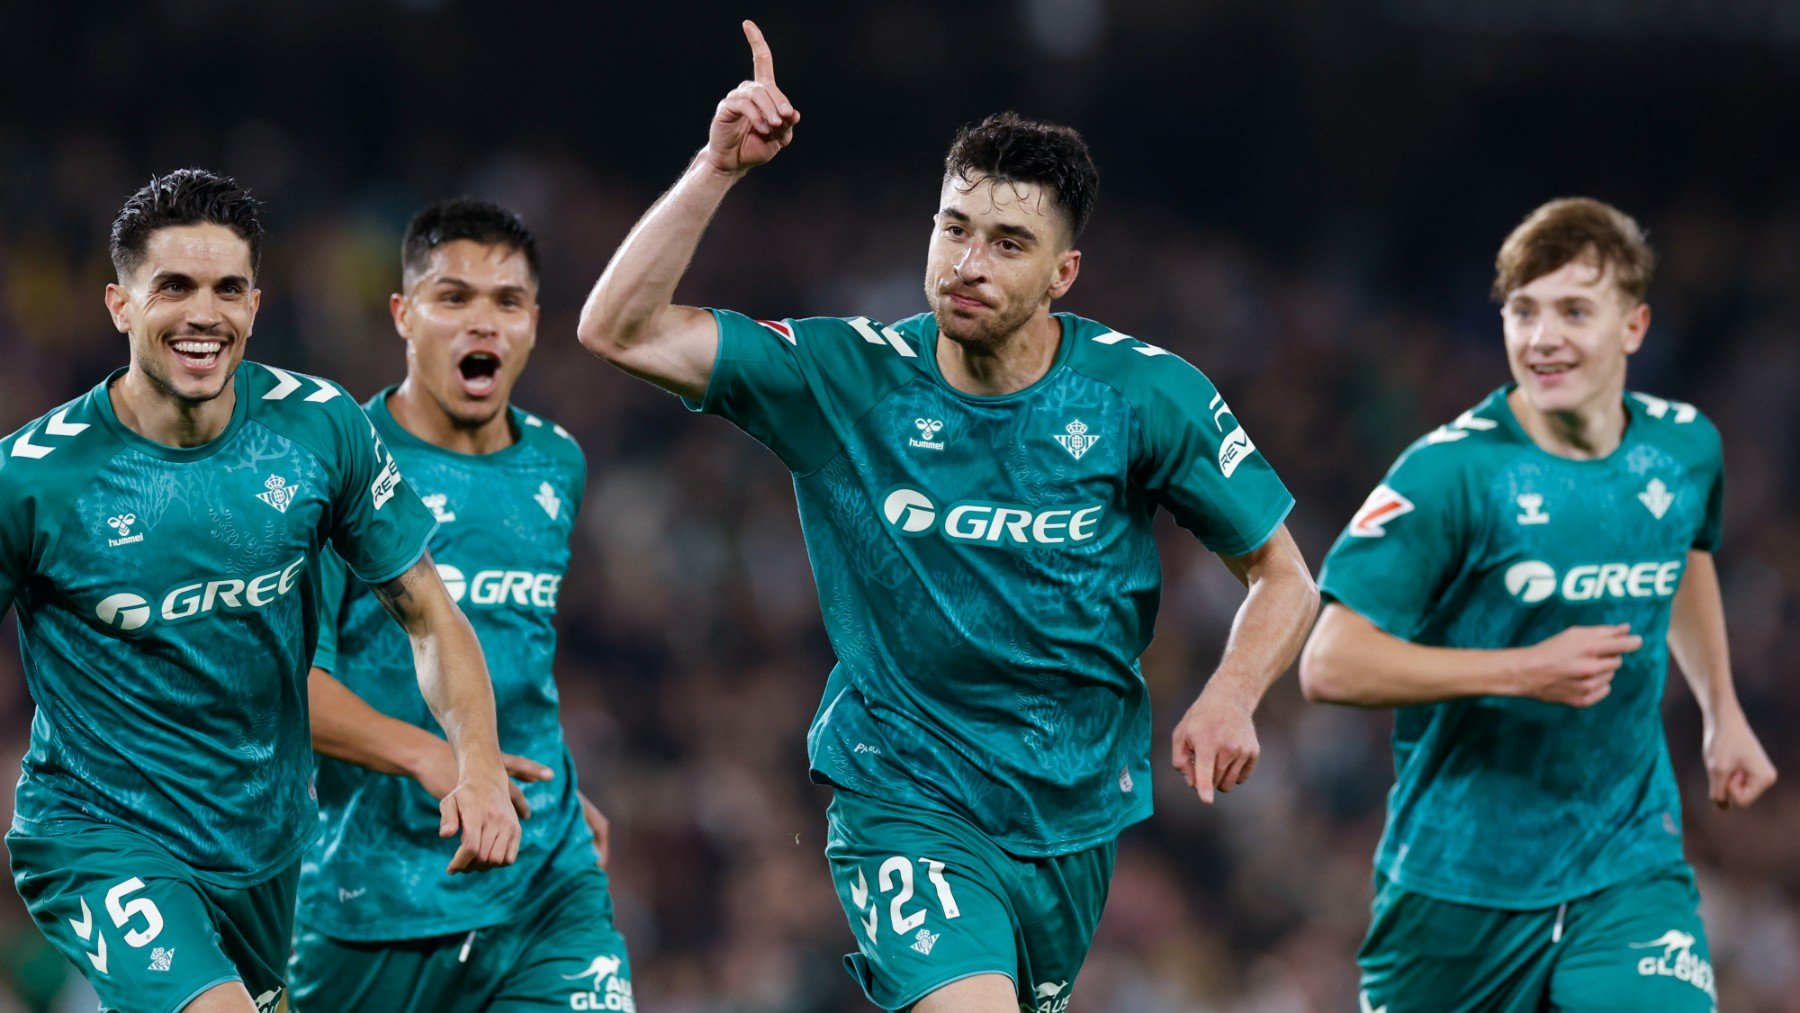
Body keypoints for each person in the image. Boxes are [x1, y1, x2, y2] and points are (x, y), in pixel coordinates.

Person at [576, 22, 1318, 1012]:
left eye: (1007, 243)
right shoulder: (849, 375)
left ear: (1063, 275)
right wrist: (716, 169)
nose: (968, 261)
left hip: (1071, 819)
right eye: (953, 227)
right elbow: (614, 327)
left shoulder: (1145, 397)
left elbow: (1285, 575)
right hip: (905, 797)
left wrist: (1231, 690)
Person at [0, 169, 521, 1013]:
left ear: (254, 304)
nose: (204, 313)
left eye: (227, 288)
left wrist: (480, 763)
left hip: (266, 844)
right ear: (119, 304)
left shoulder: (318, 429)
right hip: (101, 835)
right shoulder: (32, 479)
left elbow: (429, 614)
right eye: (174, 286)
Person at [1300, 197, 1778, 1012]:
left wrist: (1721, 711)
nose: (1542, 336)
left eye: (1573, 311)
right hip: (1459, 882)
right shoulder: (1449, 474)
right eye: (1523, 311)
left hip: (1626, 861)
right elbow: (1330, 662)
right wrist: (1523, 668)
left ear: (1635, 325)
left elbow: (1684, 554)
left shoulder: (1684, 445)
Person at [288, 199, 633, 1012]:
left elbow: (518, 649)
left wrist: (549, 784)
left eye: (506, 302)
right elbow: (288, 686)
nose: (483, 323)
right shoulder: (336, 468)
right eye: (454, 298)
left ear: (534, 323)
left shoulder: (558, 463)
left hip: (542, 874)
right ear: (405, 315)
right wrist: (436, 755)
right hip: (371, 896)